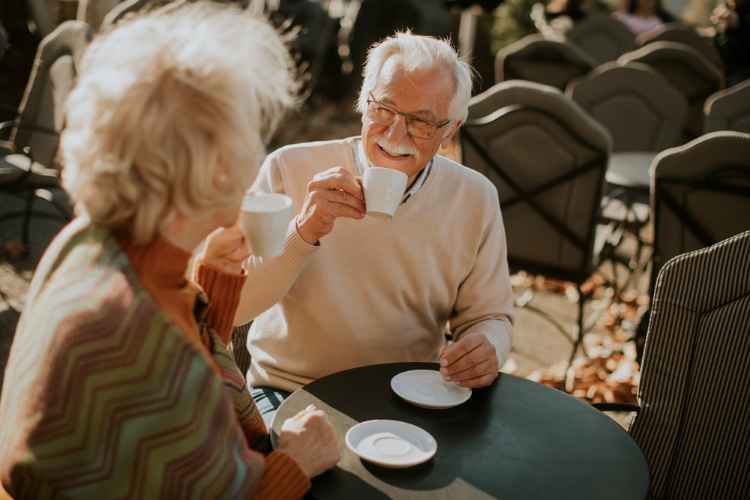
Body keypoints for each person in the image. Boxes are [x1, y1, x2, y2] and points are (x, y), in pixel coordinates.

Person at [0, 2, 339, 499]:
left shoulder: (84, 242)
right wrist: (295, 462)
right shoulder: (144, 349)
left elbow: (185, 377)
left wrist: (210, 280)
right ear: (217, 169)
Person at [233, 31, 515, 422]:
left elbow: (491, 316)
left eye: (421, 122)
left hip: (413, 395)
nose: (395, 135)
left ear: (451, 129)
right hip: (289, 388)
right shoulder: (288, 169)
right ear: (363, 104)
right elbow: (234, 308)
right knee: (293, 480)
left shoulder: (474, 197)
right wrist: (304, 231)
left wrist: (487, 347)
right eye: (384, 109)